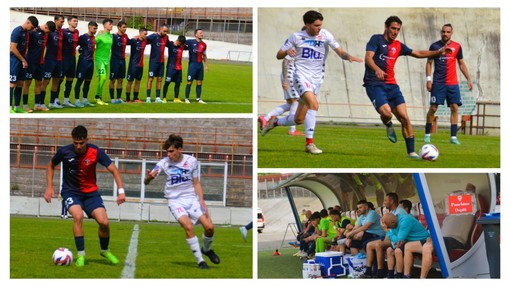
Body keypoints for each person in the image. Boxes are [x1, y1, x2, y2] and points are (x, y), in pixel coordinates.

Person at [261, 10, 363, 154]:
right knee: (313, 105)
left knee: (298, 120)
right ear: (307, 25)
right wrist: (287, 52)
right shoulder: (296, 37)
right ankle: (309, 144)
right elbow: (279, 55)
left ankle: (274, 122)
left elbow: (340, 53)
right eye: (316, 25)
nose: (319, 28)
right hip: (300, 76)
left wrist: (349, 57)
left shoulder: (325, 35)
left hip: (317, 79)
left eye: (320, 25)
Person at [363, 16, 449, 158]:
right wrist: (377, 69)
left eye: (398, 29)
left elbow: (418, 53)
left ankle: (411, 152)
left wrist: (438, 52)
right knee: (386, 113)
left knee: (405, 118)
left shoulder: (399, 46)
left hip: (392, 85)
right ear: (386, 27)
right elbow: (368, 58)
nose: (395, 32)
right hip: (374, 84)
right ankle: (388, 124)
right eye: (393, 28)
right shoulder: (376, 39)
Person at [44, 125, 126, 267]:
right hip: (70, 192)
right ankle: (81, 255)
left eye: (81, 143)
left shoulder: (95, 151)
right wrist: (49, 187)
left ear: (87, 140)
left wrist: (121, 192)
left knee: (104, 222)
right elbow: (50, 165)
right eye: (76, 143)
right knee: (78, 216)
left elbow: (114, 170)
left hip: (91, 194)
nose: (78, 146)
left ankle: (104, 250)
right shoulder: (64, 152)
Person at [144, 134, 220, 269]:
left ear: (180, 149)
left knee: (209, 227)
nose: (169, 154)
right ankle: (201, 261)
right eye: (167, 151)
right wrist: (149, 178)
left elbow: (196, 182)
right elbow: (146, 182)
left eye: (171, 151)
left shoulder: (192, 161)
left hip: (192, 199)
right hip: (175, 201)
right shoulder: (163, 163)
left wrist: (202, 200)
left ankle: (207, 249)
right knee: (188, 227)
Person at [424, 23, 473, 145]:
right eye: (443, 32)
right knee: (433, 108)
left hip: (452, 84)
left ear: (451, 33)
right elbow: (429, 63)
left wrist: (468, 78)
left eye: (448, 32)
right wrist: (428, 80)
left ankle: (453, 137)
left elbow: (461, 64)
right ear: (441, 32)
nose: (445, 34)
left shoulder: (457, 47)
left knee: (455, 108)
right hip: (438, 83)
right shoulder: (434, 46)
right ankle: (427, 134)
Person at [362, 193, 407, 278]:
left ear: (391, 201)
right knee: (369, 245)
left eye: (385, 200)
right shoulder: (392, 211)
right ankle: (368, 271)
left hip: (398, 238)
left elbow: (399, 231)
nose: (384, 203)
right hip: (390, 235)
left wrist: (387, 237)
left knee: (378, 245)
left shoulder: (399, 212)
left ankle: (380, 271)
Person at [258, 55, 305, 136]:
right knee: (296, 101)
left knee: (291, 103)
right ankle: (292, 130)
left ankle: (266, 118)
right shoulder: (296, 46)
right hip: (290, 75)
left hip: (290, 75)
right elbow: (285, 61)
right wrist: (286, 79)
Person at [382, 213, 433, 278]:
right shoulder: (393, 223)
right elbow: (395, 240)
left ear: (392, 222)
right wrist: (395, 245)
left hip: (423, 240)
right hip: (408, 241)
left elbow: (398, 239)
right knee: (389, 250)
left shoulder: (405, 220)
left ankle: (400, 275)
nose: (389, 229)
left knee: (398, 250)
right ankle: (390, 275)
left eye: (389, 227)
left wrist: (387, 231)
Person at [22, 20, 56, 112]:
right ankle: (25, 106)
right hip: (30, 62)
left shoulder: (46, 34)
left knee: (38, 83)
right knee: (27, 83)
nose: (48, 34)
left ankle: (37, 105)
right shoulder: (33, 32)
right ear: (45, 27)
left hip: (40, 63)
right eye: (48, 31)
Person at [10, 16, 38, 113]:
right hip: (14, 60)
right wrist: (23, 60)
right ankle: (9, 108)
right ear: (28, 23)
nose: (32, 29)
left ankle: (17, 107)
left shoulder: (27, 33)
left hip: (22, 60)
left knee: (21, 83)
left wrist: (23, 60)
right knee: (12, 83)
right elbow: (13, 48)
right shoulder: (17, 31)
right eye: (32, 27)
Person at [41, 15, 65, 109]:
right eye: (61, 21)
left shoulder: (62, 32)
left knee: (56, 81)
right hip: (49, 60)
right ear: (55, 21)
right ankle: (41, 103)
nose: (62, 23)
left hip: (59, 61)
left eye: (63, 22)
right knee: (46, 81)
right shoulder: (50, 32)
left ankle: (52, 102)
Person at [74, 21, 98, 107]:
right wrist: (80, 51)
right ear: (89, 27)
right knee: (79, 81)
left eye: (96, 29)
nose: (95, 30)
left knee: (88, 82)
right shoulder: (83, 37)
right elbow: (75, 45)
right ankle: (77, 100)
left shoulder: (94, 38)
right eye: (94, 28)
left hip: (91, 62)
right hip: (83, 62)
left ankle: (84, 100)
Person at [146, 24, 169, 103]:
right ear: (160, 29)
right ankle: (148, 97)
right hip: (153, 62)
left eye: (166, 31)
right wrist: (137, 36)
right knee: (150, 79)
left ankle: (157, 98)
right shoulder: (153, 36)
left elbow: (169, 44)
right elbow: (144, 39)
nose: (166, 33)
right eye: (164, 31)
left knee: (159, 79)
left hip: (161, 62)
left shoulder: (166, 37)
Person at [184, 28, 208, 104]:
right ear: (196, 35)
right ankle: (186, 98)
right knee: (189, 82)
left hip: (200, 65)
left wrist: (206, 65)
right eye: (200, 33)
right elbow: (182, 42)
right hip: (192, 65)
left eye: (202, 33)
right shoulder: (190, 42)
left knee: (199, 82)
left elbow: (204, 55)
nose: (202, 34)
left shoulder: (204, 44)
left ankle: (198, 98)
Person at [125, 27, 148, 103]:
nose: (146, 35)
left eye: (146, 34)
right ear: (140, 33)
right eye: (145, 34)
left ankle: (135, 98)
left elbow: (153, 38)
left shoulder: (145, 41)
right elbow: (126, 41)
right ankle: (128, 98)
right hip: (133, 65)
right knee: (130, 82)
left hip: (141, 65)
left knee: (138, 82)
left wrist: (156, 33)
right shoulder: (134, 41)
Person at [94, 19, 114, 105]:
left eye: (112, 24)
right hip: (99, 59)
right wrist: (96, 35)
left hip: (106, 60)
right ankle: (97, 97)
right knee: (103, 77)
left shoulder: (111, 36)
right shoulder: (100, 35)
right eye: (110, 24)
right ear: (105, 25)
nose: (111, 26)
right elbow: (92, 42)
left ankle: (99, 97)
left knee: (102, 79)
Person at [61, 15, 79, 108]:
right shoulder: (63, 32)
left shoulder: (77, 32)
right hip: (64, 58)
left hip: (72, 59)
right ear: (69, 22)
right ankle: (55, 100)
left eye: (77, 21)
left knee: (70, 80)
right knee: (59, 80)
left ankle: (66, 100)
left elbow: (78, 43)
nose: (76, 22)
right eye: (74, 21)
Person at [108, 20, 129, 104]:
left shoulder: (125, 36)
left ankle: (119, 98)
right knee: (113, 80)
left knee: (120, 80)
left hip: (122, 61)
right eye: (123, 27)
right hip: (114, 61)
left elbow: (130, 42)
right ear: (119, 27)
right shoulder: (113, 36)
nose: (125, 29)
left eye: (125, 27)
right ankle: (112, 98)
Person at [163, 35, 187, 103]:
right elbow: (164, 40)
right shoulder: (170, 44)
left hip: (179, 68)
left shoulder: (182, 46)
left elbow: (190, 45)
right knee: (167, 82)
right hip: (171, 67)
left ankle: (176, 98)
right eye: (180, 43)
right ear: (178, 40)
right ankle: (164, 97)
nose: (181, 45)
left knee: (178, 83)